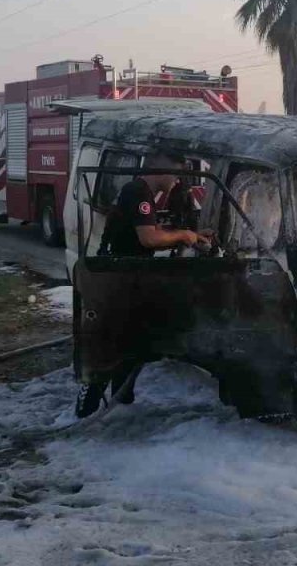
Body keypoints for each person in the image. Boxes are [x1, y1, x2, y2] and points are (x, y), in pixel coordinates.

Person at [74, 152, 215, 418]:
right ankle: (88, 408)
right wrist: (184, 235)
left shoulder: (143, 193)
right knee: (111, 343)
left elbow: (150, 231)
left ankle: (121, 402)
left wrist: (193, 235)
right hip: (116, 278)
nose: (176, 181)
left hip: (128, 275)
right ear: (161, 171)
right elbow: (149, 238)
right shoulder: (137, 192)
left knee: (131, 340)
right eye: (175, 175)